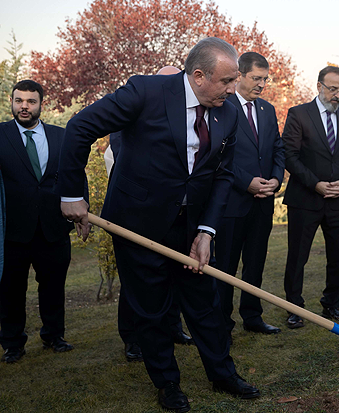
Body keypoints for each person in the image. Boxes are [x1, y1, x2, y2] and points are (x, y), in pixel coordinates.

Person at [58, 38, 261, 411]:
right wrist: (71, 193)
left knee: (205, 303)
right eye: (228, 81)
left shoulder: (227, 112)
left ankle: (223, 374)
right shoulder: (145, 92)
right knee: (150, 307)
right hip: (137, 223)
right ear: (198, 76)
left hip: (192, 224)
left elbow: (223, 174)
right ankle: (167, 383)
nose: (234, 90)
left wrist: (206, 231)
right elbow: (80, 127)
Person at [105, 66, 195, 363]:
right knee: (137, 283)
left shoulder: (185, 119)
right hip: (137, 217)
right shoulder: (130, 120)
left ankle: (172, 327)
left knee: (171, 276)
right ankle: (132, 338)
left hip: (173, 218)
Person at [0, 80, 77, 363]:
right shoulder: (1, 134)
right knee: (10, 290)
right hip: (12, 231)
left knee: (54, 286)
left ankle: (54, 336)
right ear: (12, 102)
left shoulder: (61, 136)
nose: (24, 106)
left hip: (53, 228)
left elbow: (75, 174)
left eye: (31, 101)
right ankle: (12, 344)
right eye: (19, 100)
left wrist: (82, 212)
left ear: (41, 104)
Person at [281, 66, 339, 328]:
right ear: (318, 86)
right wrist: (315, 184)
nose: (337, 94)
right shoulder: (299, 114)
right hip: (305, 199)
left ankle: (332, 304)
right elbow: (289, 156)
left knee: (338, 255)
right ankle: (294, 307)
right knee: (298, 256)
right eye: (332, 89)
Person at [215, 52, 285, 338]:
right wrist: (247, 183)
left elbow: (278, 149)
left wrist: (276, 180)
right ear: (240, 75)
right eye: (256, 78)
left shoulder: (268, 110)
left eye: (265, 79)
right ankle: (221, 324)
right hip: (232, 203)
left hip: (263, 203)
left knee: (255, 262)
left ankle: (252, 316)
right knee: (226, 267)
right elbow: (217, 155)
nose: (261, 85)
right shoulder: (221, 106)